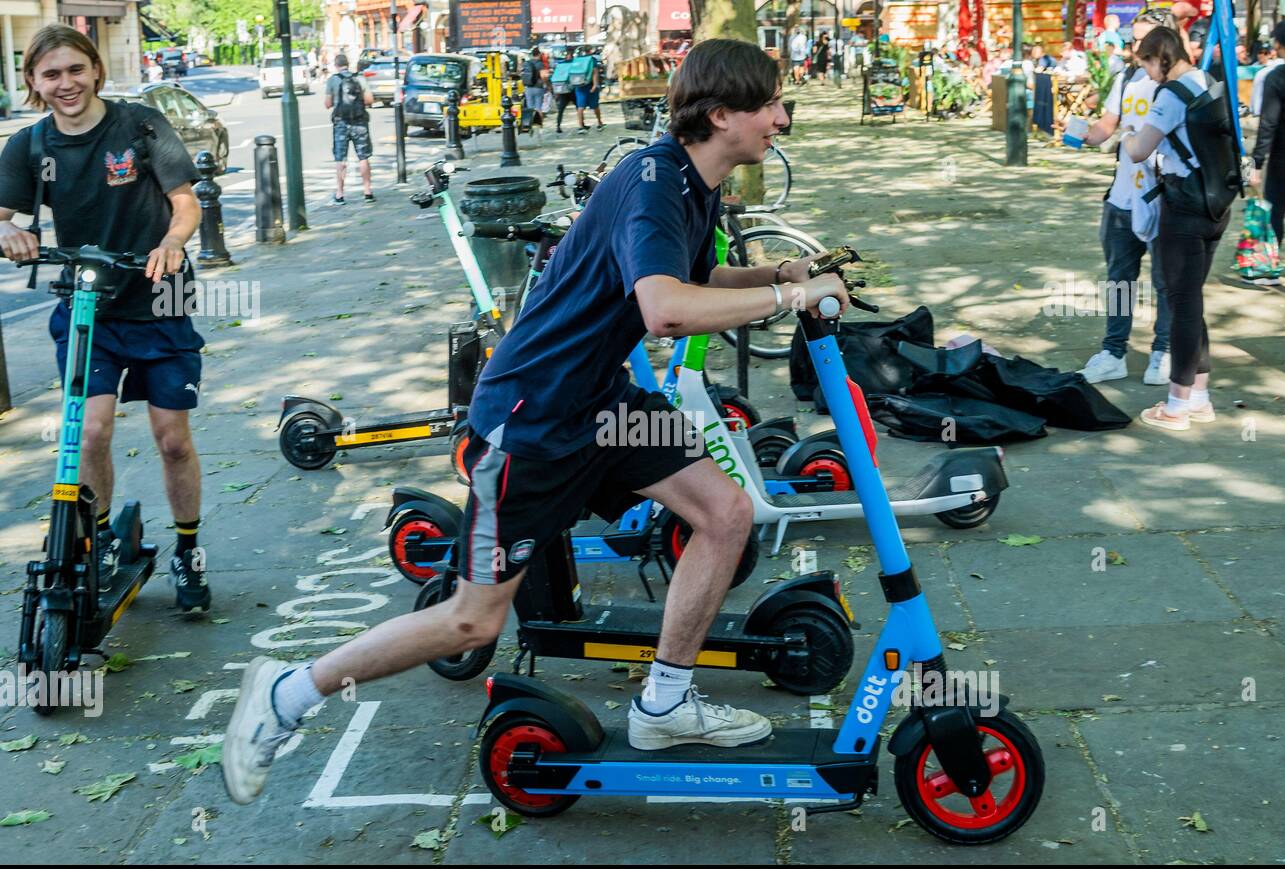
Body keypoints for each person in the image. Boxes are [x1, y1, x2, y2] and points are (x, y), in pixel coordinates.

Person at [221, 38, 851, 805]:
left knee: (725, 512)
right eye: (772, 105)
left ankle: (665, 703)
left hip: (599, 405)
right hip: (531, 422)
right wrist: (788, 300)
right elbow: (665, 307)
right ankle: (287, 694)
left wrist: (781, 272)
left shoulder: (693, 181)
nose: (783, 119)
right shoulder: (650, 182)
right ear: (722, 115)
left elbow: (696, 277)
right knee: (471, 623)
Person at [0, 25, 210, 611]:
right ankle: (92, 546)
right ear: (34, 84)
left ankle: (189, 549)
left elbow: (185, 201)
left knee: (171, 441)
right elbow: (1, 214)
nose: (65, 84)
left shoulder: (140, 126)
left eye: (74, 70)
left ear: (94, 69)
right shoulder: (30, 146)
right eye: (51, 75)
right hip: (86, 306)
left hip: (159, 301)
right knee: (90, 432)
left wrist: (171, 243)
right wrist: (7, 231)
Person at [1122, 25, 1228, 431]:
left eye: (1146, 64)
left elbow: (1140, 150)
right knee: (1191, 301)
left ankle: (1176, 405)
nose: (1147, 74)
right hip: (1216, 204)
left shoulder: (1169, 95)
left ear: (1158, 57)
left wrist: (1129, 132)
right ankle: (1199, 397)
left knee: (1182, 306)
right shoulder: (1206, 79)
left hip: (1183, 208)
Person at [1072, 8, 1176, 386]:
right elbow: (1108, 124)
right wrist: (1083, 134)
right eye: (1134, 39)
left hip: (1166, 199)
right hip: (1121, 197)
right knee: (1119, 279)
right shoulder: (1128, 77)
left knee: (1167, 280)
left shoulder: (1185, 82)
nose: (1136, 47)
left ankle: (1163, 351)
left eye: (1144, 40)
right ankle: (1114, 351)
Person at [1249, 18, 1285, 247]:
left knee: (1275, 208)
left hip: (1284, 155)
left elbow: (1268, 123)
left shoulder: (1276, 77)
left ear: (1277, 45)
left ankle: (1271, 263)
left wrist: (1257, 163)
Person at [324, 53, 375, 205]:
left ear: (336, 65)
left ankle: (340, 194)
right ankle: (367, 191)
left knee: (341, 159)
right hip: (359, 123)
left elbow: (327, 104)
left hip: (341, 124)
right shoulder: (359, 78)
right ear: (348, 63)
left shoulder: (333, 80)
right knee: (363, 157)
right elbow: (369, 100)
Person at [572, 50, 605, 132]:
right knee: (595, 106)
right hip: (590, 86)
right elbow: (595, 72)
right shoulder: (592, 60)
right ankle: (599, 123)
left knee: (580, 107)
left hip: (579, 86)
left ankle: (581, 126)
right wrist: (595, 85)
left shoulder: (576, 60)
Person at [550, 48, 575, 134]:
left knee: (561, 109)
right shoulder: (574, 64)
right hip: (571, 89)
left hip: (561, 89)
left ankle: (558, 126)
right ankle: (581, 125)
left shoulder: (560, 65)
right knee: (579, 107)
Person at [521, 46, 547, 128]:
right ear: (539, 54)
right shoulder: (540, 64)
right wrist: (547, 84)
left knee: (530, 107)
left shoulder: (527, 63)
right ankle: (540, 125)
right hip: (538, 87)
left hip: (528, 87)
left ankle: (530, 124)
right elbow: (543, 76)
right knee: (538, 107)